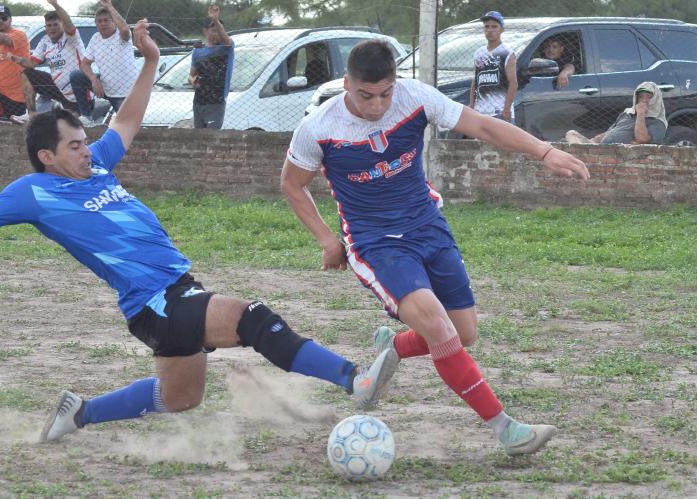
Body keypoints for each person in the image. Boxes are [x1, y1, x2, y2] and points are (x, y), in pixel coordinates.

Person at [0, 20, 399, 444]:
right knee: (251, 318)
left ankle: (82, 412)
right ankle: (355, 378)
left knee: (181, 398)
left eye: (84, 140)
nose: (86, 148)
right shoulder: (34, 192)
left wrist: (152, 62)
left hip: (172, 294)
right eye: (74, 144)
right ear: (47, 156)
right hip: (155, 301)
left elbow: (128, 122)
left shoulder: (94, 164)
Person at [281, 40, 590, 457]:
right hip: (376, 243)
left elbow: (481, 125)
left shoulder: (415, 97)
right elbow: (292, 185)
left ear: (395, 83)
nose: (376, 106)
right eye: (365, 96)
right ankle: (507, 430)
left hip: (428, 226)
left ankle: (395, 346)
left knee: (464, 334)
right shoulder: (319, 126)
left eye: (385, 94)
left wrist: (544, 150)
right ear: (346, 84)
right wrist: (326, 240)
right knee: (441, 330)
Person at [7, 0, 85, 114]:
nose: (52, 28)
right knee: (27, 74)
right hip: (58, 87)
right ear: (45, 27)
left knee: (72, 122)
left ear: (62, 25)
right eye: (49, 25)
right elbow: (31, 63)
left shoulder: (71, 37)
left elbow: (69, 23)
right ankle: (31, 115)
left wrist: (55, 4)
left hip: (77, 90)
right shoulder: (45, 41)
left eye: (55, 25)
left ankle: (82, 114)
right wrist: (16, 59)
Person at [70, 0, 137, 127]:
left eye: (106, 20)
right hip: (105, 87)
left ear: (114, 22)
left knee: (127, 127)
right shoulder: (95, 38)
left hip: (125, 93)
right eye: (99, 21)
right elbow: (84, 64)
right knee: (76, 76)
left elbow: (124, 28)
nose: (103, 23)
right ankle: (86, 117)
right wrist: (94, 80)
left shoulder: (121, 36)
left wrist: (109, 6)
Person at [566, 82, 667, 145]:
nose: (644, 100)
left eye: (649, 97)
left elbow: (642, 139)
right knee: (571, 134)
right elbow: (611, 132)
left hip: (619, 155)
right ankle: (584, 151)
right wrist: (593, 141)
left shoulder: (658, 121)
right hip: (600, 150)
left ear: (655, 99)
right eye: (641, 97)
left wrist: (641, 114)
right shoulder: (627, 113)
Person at [189, 4, 233, 129]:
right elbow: (191, 76)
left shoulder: (226, 49)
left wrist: (215, 20)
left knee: (212, 138)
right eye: (214, 30)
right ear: (205, 31)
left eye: (221, 30)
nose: (218, 34)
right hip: (198, 102)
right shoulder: (198, 51)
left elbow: (226, 41)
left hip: (216, 103)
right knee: (199, 140)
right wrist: (193, 81)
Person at [470, 11, 516, 123]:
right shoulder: (479, 53)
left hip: (499, 111)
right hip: (480, 112)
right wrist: (472, 106)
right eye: (487, 26)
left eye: (494, 26)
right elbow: (475, 82)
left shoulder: (507, 53)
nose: (490, 30)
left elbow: (513, 83)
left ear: (501, 29)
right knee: (480, 141)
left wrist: (506, 110)